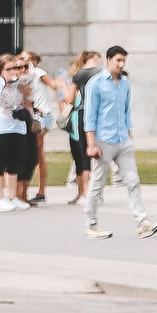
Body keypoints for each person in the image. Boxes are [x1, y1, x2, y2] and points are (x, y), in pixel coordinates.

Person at [81, 45, 157, 239]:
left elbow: (126, 111)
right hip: (103, 140)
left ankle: (143, 222)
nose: (121, 64)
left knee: (133, 181)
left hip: (122, 140)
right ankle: (92, 225)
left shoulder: (125, 83)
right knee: (97, 184)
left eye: (123, 61)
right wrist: (91, 143)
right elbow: (89, 116)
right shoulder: (96, 83)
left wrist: (130, 136)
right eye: (117, 60)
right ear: (108, 60)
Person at [0, 55, 34, 212]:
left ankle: (13, 196)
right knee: (1, 162)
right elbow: (1, 101)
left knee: (15, 163)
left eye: (16, 68)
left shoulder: (21, 83)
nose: (14, 71)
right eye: (9, 69)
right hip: (2, 127)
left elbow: (27, 100)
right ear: (2, 70)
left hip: (18, 127)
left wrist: (25, 91)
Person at [65, 49, 102, 205]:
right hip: (96, 115)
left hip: (79, 115)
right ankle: (91, 192)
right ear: (95, 58)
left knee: (80, 154)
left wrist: (63, 87)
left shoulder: (78, 75)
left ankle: (83, 192)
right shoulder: (101, 73)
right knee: (94, 153)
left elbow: (69, 99)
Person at [24, 49, 56, 204]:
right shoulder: (22, 75)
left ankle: (41, 190)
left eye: (28, 59)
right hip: (31, 115)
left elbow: (53, 84)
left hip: (41, 116)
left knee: (37, 154)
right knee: (33, 153)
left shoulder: (37, 72)